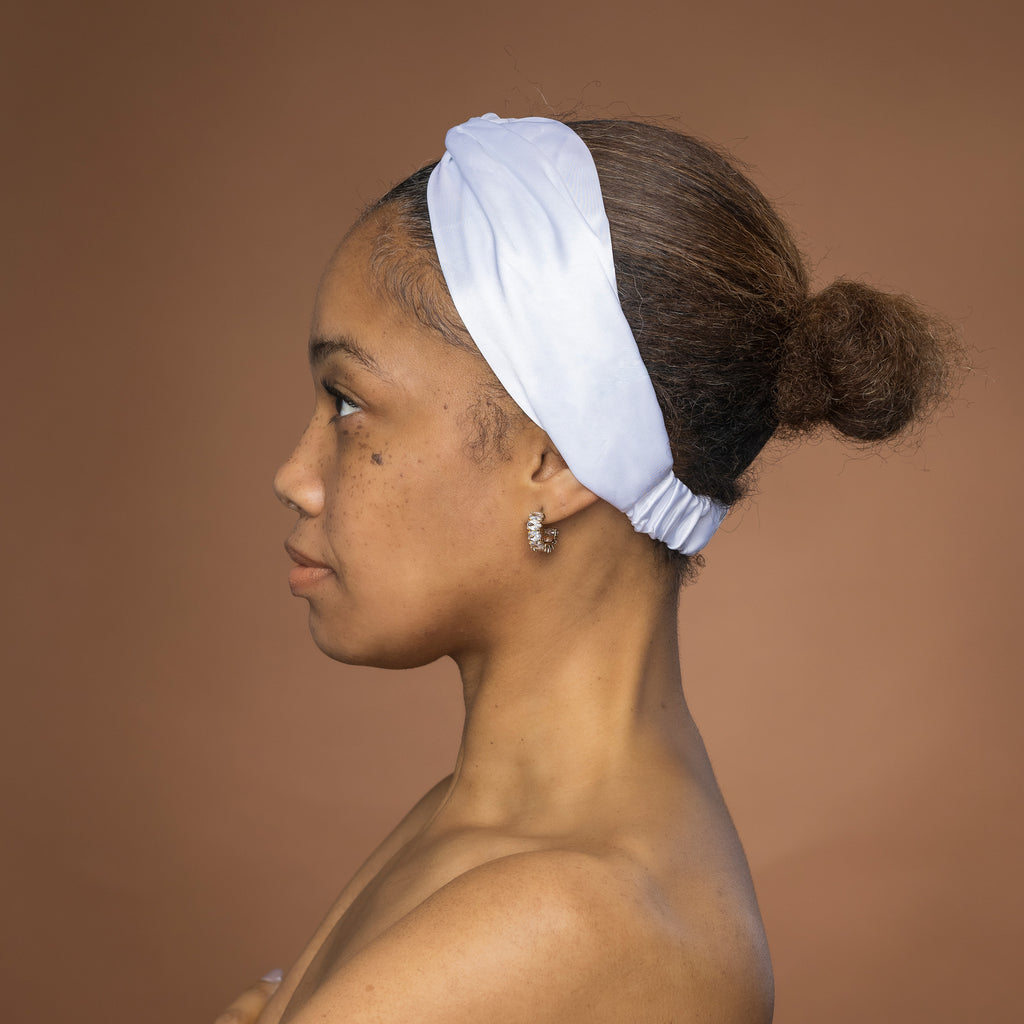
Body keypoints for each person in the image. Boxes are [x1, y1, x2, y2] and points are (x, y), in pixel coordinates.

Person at [215, 113, 956, 1024]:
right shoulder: (487, 828)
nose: (293, 478)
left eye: (346, 401)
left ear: (559, 458)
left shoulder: (564, 918)